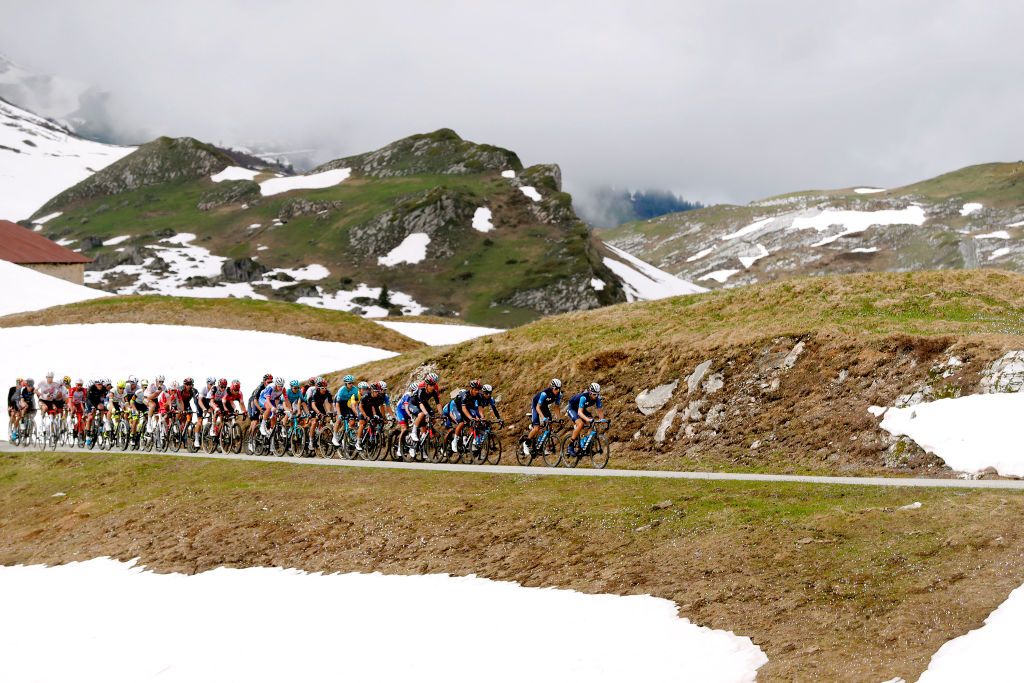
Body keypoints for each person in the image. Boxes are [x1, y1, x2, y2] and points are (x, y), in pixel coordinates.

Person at [524, 378, 563, 456]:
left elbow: (556, 407)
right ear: (552, 388)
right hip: (536, 406)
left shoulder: (559, 394)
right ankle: (526, 444)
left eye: (559, 388)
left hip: (544, 406)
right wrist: (544, 418)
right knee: (537, 428)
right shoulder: (544, 394)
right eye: (556, 389)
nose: (558, 390)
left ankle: (541, 445)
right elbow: (538, 408)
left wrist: (559, 419)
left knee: (550, 426)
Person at [565, 382, 605, 456]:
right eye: (594, 394)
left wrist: (602, 420)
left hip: (581, 409)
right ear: (590, 393)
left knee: (592, 424)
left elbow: (600, 411)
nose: (596, 396)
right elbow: (580, 413)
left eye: (597, 394)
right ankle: (570, 446)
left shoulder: (597, 398)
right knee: (580, 424)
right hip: (572, 408)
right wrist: (587, 419)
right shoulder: (583, 397)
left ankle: (586, 443)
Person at [448, 379, 483, 452]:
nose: (477, 391)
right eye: (476, 390)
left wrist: (482, 417)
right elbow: (463, 409)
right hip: (456, 407)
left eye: (478, 390)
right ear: (471, 389)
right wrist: (471, 417)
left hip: (467, 407)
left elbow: (479, 408)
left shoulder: (479, 395)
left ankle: (469, 440)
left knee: (472, 423)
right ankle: (454, 441)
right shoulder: (465, 395)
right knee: (461, 423)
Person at [408, 372, 441, 444]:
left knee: (433, 419)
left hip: (423, 402)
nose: (433, 387)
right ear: (426, 384)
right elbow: (420, 404)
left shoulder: (435, 389)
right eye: (431, 385)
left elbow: (438, 403)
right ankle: (413, 432)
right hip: (413, 403)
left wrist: (441, 414)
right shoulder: (421, 388)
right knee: (421, 414)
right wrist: (426, 414)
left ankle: (423, 436)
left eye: (434, 384)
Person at [306, 378, 334, 449]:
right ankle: (311, 441)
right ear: (318, 388)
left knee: (324, 420)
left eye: (325, 387)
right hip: (312, 406)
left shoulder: (327, 392)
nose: (324, 389)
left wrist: (330, 411)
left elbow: (330, 403)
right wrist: (318, 413)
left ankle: (319, 433)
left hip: (320, 405)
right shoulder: (315, 393)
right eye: (322, 388)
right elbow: (313, 405)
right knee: (314, 422)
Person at [332, 374, 359, 446]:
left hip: (347, 404)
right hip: (338, 403)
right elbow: (337, 404)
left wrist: (356, 412)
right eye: (349, 383)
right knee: (339, 419)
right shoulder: (341, 390)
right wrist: (339, 414)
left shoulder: (355, 389)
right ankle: (334, 437)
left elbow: (355, 402)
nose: (351, 384)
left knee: (352, 421)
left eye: (352, 383)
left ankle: (345, 435)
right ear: (346, 383)